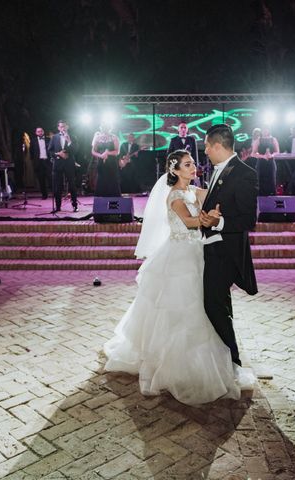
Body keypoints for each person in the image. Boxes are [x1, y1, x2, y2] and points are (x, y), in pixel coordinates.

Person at [104, 149, 255, 405]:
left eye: (193, 163)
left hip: (199, 253)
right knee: (181, 310)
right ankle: (176, 365)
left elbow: (217, 197)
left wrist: (227, 199)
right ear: (174, 170)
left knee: (204, 305)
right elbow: (188, 221)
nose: (193, 167)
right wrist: (208, 219)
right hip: (180, 256)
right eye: (187, 165)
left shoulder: (195, 190)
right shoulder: (174, 195)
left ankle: (211, 358)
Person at [199, 123, 259, 368]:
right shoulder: (216, 169)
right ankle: (225, 358)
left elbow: (248, 219)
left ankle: (232, 358)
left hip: (227, 251)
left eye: (206, 147)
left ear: (217, 146)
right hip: (212, 248)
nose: (204, 152)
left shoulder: (245, 173)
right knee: (220, 303)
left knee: (212, 304)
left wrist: (219, 221)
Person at [48, 120, 78, 213]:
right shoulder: (54, 137)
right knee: (58, 186)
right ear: (58, 128)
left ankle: (75, 206)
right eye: (61, 127)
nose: (63, 128)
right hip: (58, 164)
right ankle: (58, 206)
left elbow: (76, 150)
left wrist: (69, 141)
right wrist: (58, 154)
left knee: (72, 185)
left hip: (69, 163)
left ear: (67, 127)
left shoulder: (73, 137)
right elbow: (50, 151)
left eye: (64, 126)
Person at [167, 121, 202, 186]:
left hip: (189, 166)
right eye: (181, 127)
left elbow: (195, 153)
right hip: (178, 166)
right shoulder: (173, 140)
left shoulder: (192, 139)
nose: (183, 129)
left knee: (190, 184)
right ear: (178, 129)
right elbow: (169, 154)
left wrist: (196, 166)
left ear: (187, 129)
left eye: (185, 127)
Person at [91, 122, 121, 197]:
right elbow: (93, 151)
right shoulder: (97, 138)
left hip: (112, 163)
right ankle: (101, 202)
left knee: (112, 180)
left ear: (110, 128)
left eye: (106, 127)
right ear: (100, 128)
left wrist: (108, 153)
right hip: (101, 162)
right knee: (101, 180)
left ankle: (114, 200)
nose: (104, 129)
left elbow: (117, 151)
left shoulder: (114, 137)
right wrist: (100, 155)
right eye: (103, 127)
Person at [251, 125, 279, 196]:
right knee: (261, 181)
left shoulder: (273, 139)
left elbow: (277, 151)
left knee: (272, 181)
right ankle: (261, 200)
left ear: (269, 130)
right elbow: (253, 153)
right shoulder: (258, 140)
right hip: (261, 163)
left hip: (271, 162)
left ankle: (272, 200)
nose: (265, 131)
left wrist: (271, 155)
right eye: (263, 129)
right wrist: (262, 156)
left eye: (266, 129)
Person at [28, 126, 52, 199]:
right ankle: (44, 195)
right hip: (39, 162)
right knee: (41, 180)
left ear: (43, 132)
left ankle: (54, 194)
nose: (40, 132)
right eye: (38, 131)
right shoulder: (33, 141)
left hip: (47, 161)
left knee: (51, 178)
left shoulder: (49, 139)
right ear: (36, 133)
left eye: (41, 131)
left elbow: (52, 149)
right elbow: (31, 152)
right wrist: (34, 161)